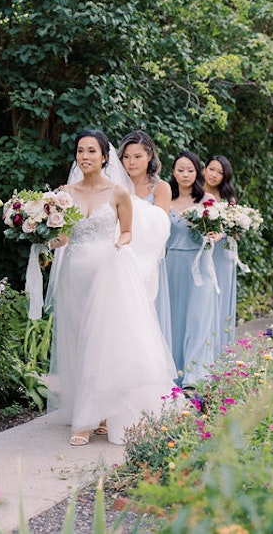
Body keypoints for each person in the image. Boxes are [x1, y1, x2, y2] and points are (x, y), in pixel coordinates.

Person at [46, 130, 176, 446]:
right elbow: (63, 237)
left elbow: (128, 231)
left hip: (106, 271)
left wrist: (120, 242)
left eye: (92, 150)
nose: (85, 156)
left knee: (99, 339)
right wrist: (47, 240)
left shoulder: (117, 192)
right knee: (78, 338)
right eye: (80, 150)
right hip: (75, 272)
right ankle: (89, 408)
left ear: (105, 156)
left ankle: (88, 421)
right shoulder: (63, 193)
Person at [165, 150, 218, 389]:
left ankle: (194, 375)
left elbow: (221, 227)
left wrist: (215, 236)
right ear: (173, 172)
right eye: (180, 170)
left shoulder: (206, 199)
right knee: (175, 318)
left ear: (197, 172)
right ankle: (173, 371)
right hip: (172, 264)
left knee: (198, 318)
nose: (185, 174)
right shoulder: (165, 199)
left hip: (200, 265)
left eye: (190, 170)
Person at [118, 130, 173, 344]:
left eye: (137, 156)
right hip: (120, 257)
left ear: (149, 156)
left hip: (147, 261)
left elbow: (161, 227)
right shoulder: (117, 187)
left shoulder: (160, 188)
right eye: (127, 157)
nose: (131, 162)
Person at [204, 155, 240, 351]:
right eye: (212, 169)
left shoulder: (228, 199)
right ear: (204, 169)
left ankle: (220, 347)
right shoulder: (195, 193)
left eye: (220, 172)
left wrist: (228, 231)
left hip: (222, 254)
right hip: (202, 250)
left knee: (221, 295)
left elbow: (233, 229)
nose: (214, 175)